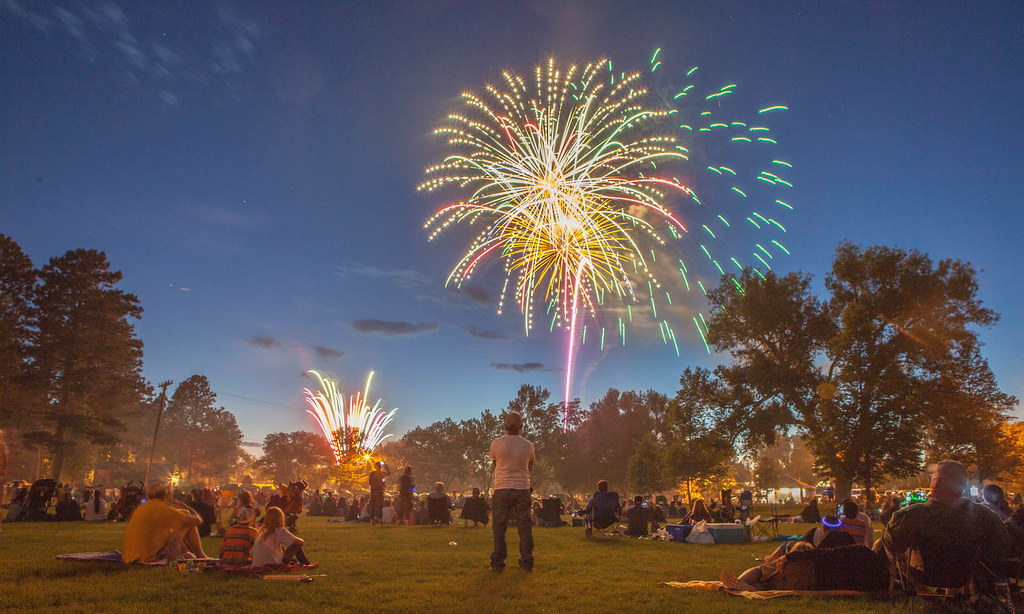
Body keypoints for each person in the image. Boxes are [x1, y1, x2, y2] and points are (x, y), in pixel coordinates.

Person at [881, 460, 1013, 591]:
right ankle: (956, 592)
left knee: (889, 543)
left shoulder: (910, 515)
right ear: (963, 485)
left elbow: (891, 544)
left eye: (933, 477)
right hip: (964, 574)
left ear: (936, 482)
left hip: (923, 575)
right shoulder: (984, 515)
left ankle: (921, 590)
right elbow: (1004, 542)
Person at [488, 411, 535, 572]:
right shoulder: (528, 445)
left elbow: (495, 464)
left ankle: (497, 562)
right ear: (521, 427)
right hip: (522, 488)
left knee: (499, 527)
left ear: (505, 426)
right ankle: (527, 561)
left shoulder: (496, 443)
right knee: (525, 527)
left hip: (502, 488)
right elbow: (529, 466)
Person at [121, 480, 210, 563]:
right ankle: (200, 554)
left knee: (182, 523)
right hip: (149, 558)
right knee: (187, 524)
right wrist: (184, 506)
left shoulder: (142, 508)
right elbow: (198, 521)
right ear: (167, 495)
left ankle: (192, 553)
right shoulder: (163, 509)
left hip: (130, 556)